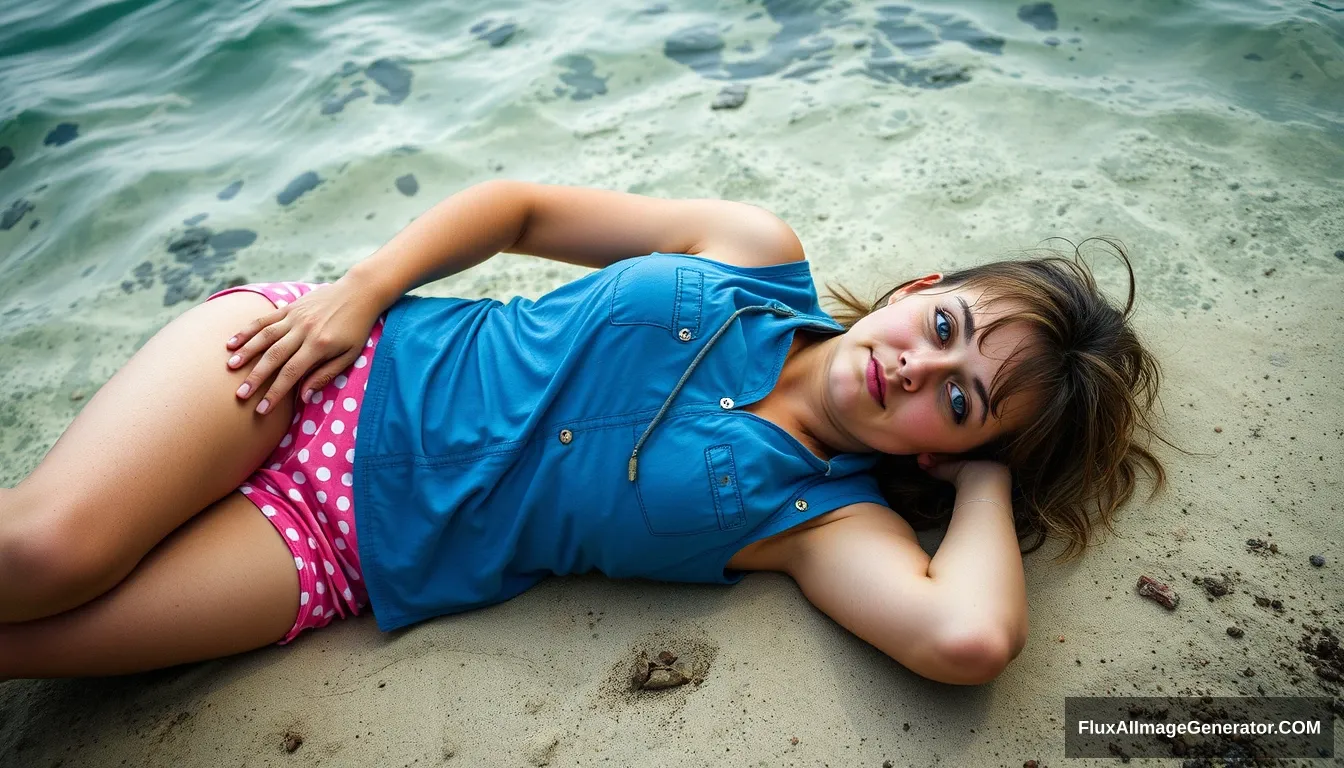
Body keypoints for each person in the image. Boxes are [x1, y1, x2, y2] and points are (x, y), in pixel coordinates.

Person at [0, 181, 1164, 684]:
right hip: (326, 365)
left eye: (956, 398)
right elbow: (518, 211)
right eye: (945, 325)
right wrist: (363, 288)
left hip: (338, 550)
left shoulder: (820, 519)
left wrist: (981, 488)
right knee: (44, 557)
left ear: (941, 447)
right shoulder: (754, 252)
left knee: (25, 642)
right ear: (920, 283)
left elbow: (964, 640)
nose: (919, 363)